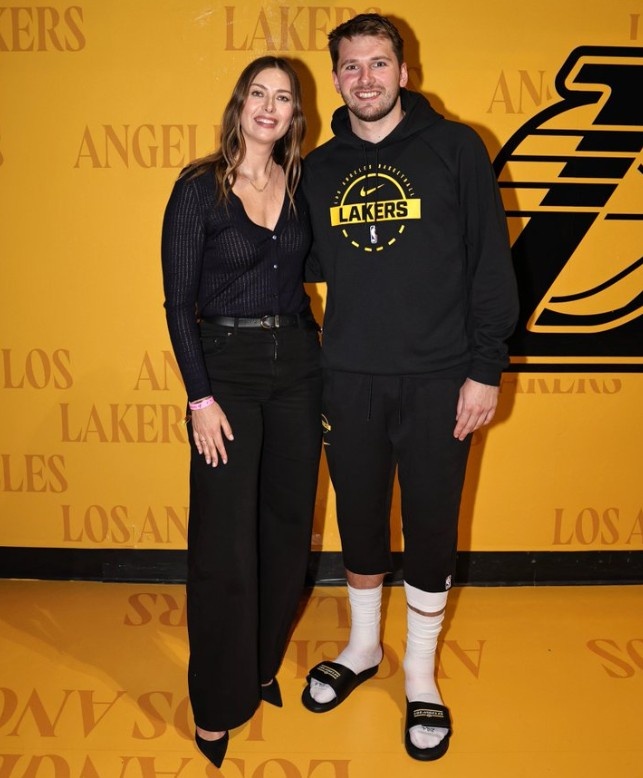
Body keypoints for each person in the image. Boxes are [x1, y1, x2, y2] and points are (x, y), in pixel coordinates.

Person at [300, 14, 519, 762]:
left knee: (430, 525)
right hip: (347, 377)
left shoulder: (456, 148)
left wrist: (484, 369)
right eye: (350, 66)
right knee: (359, 520)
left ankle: (420, 674)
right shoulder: (318, 168)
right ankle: (364, 648)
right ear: (336, 78)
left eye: (378, 63)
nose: (364, 78)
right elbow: (292, 263)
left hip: (439, 379)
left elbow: (491, 267)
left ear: (403, 70)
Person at [161, 56, 322, 768]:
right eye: (258, 93)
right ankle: (217, 704)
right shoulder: (199, 188)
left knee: (286, 529)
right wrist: (199, 397)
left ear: (294, 115)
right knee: (223, 542)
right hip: (224, 372)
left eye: (282, 97)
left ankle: (259, 666)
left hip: (298, 367)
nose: (269, 106)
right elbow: (178, 303)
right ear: (239, 104)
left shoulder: (299, 185)